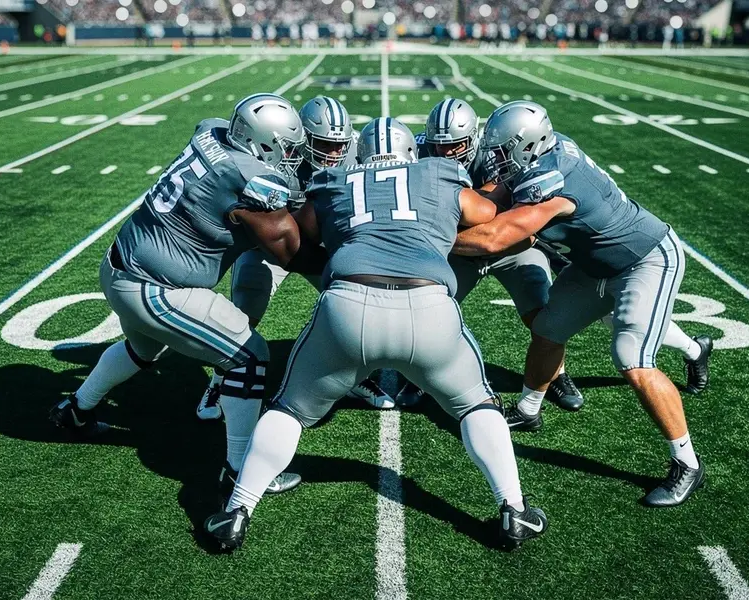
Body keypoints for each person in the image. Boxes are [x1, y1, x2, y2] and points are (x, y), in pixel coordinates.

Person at [203, 118, 548, 552]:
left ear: (360, 154)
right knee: (476, 404)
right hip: (428, 306)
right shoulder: (437, 172)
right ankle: (514, 510)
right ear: (412, 152)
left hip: (349, 304)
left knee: (289, 410)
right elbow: (486, 214)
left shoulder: (333, 180)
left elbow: (303, 230)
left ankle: (236, 510)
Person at [50, 94, 319, 498]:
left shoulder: (212, 130)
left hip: (120, 263)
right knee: (249, 358)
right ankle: (241, 469)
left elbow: (210, 138)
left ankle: (75, 409)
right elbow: (289, 250)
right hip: (155, 286)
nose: (292, 158)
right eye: (286, 150)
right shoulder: (252, 178)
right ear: (260, 144)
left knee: (145, 349)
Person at [454, 101, 705, 507]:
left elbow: (493, 239)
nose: (495, 160)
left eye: (501, 153)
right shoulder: (544, 153)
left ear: (526, 146)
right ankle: (529, 407)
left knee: (632, 357)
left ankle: (687, 463)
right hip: (594, 264)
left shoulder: (551, 183)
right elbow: (497, 193)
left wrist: (427, 235)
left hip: (645, 258)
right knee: (548, 328)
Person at [196, 96, 394, 422]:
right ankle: (221, 379)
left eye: (338, 145)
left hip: (328, 245)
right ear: (302, 138)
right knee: (245, 311)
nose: (333, 154)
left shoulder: (357, 156)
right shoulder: (281, 154)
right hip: (272, 245)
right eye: (324, 144)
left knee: (360, 309)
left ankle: (353, 377)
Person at [399, 97, 584, 414]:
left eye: (455, 145)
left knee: (541, 312)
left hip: (509, 244)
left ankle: (556, 374)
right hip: (456, 246)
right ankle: (418, 374)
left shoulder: (497, 153)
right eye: (439, 145)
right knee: (425, 308)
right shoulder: (418, 152)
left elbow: (510, 217)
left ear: (474, 138)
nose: (445, 153)